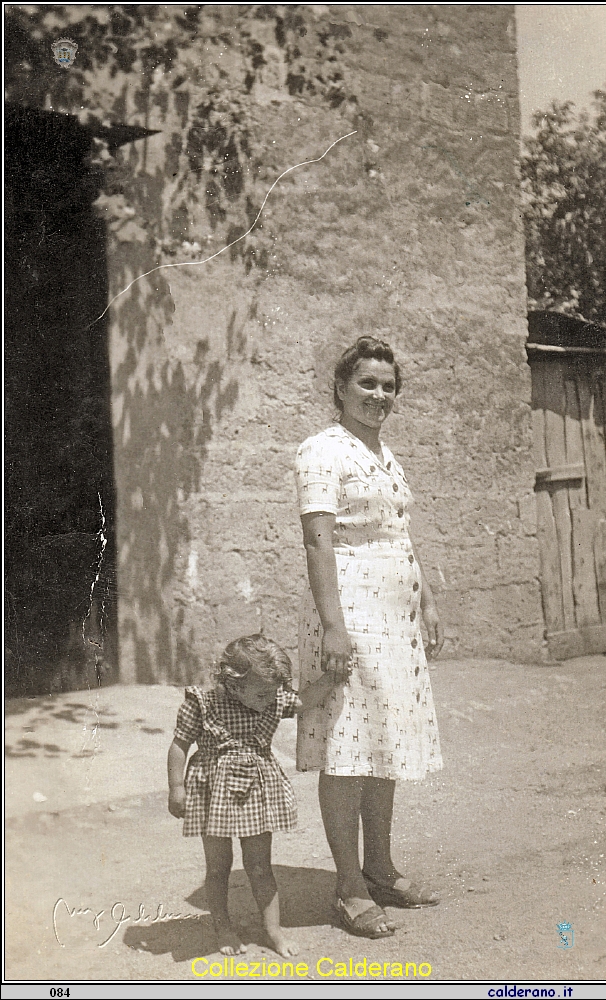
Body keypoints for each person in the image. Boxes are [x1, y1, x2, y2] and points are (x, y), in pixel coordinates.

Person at [294, 336, 444, 940]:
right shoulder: (320, 452)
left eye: (388, 385)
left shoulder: (385, 454)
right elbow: (317, 542)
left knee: (383, 740)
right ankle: (349, 886)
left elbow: (401, 536)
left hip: (395, 612)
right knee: (347, 746)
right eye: (367, 383)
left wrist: (427, 600)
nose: (379, 395)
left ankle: (380, 868)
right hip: (348, 608)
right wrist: (333, 625)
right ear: (340, 387)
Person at [167, 633, 343, 957]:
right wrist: (176, 788)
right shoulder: (203, 704)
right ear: (233, 684)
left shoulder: (272, 698)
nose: (270, 699)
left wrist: (332, 678)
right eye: (262, 692)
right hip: (212, 794)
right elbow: (179, 744)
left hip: (256, 793)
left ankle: (273, 930)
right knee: (219, 866)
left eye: (273, 692)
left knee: (260, 865)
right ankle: (223, 926)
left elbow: (304, 700)